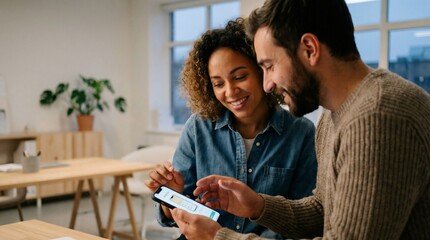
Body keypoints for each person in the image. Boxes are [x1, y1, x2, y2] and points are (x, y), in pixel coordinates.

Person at [169, 0, 430, 239]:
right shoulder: (334, 112)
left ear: (309, 49)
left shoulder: (377, 118)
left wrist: (219, 238)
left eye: (269, 66)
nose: (268, 84)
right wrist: (259, 205)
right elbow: (322, 210)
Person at [144, 18, 317, 238]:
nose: (230, 91)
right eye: (218, 83)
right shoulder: (199, 129)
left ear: (262, 70)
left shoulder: (301, 134)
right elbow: (178, 216)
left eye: (239, 77)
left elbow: (303, 223)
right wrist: (172, 196)